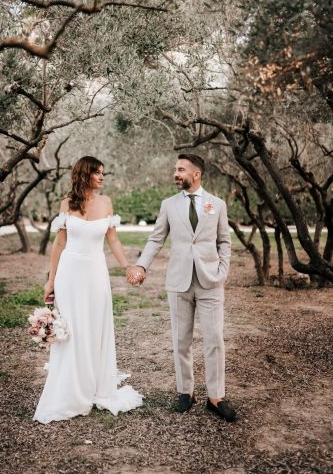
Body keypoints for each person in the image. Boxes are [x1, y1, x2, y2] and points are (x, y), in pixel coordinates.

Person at [127, 153, 237, 422]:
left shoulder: (217, 204)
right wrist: (142, 266)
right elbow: (156, 240)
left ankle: (216, 396)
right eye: (175, 169)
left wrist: (222, 271)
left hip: (211, 281)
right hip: (179, 282)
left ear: (196, 174)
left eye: (181, 169)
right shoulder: (168, 205)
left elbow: (224, 241)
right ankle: (185, 391)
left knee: (214, 340)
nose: (176, 174)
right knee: (181, 341)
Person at [33, 156, 143, 424]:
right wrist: (51, 280)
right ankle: (72, 389)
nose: (101, 177)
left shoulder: (106, 203)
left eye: (103, 173)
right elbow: (59, 245)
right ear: (85, 174)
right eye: (97, 173)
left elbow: (113, 240)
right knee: (72, 330)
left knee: (95, 327)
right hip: (69, 274)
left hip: (96, 273)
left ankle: (95, 384)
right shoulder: (66, 204)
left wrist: (128, 266)